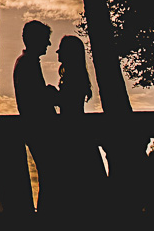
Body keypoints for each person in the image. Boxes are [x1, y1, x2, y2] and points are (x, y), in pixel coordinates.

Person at [53, 35, 108, 206]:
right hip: (78, 130)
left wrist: (52, 95)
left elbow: (67, 102)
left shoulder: (73, 77)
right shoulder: (77, 76)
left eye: (61, 50)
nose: (57, 53)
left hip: (73, 131)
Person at [14, 20, 58, 214]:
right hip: (39, 130)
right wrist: (49, 94)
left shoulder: (26, 63)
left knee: (48, 178)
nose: (48, 44)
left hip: (36, 129)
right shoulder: (28, 64)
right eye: (45, 39)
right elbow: (35, 99)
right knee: (50, 177)